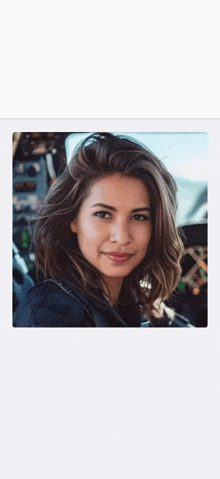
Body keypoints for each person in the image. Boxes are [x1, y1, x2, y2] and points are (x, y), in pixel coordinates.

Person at [13, 132, 192, 327]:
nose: (122, 237)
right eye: (103, 214)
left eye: (138, 217)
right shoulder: (52, 315)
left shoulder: (126, 300)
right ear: (73, 219)